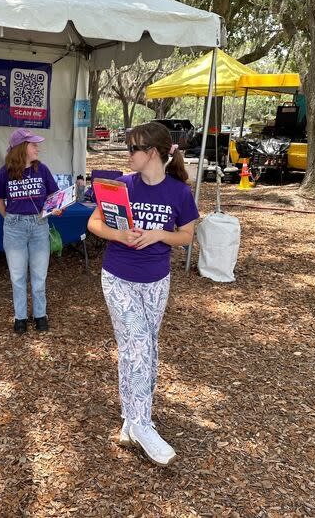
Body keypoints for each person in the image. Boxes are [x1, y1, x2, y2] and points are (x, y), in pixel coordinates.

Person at [88, 121, 199, 467]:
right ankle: (142, 425)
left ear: (151, 153)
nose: (127, 155)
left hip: (156, 281)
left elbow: (186, 236)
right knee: (136, 344)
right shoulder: (121, 185)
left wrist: (158, 235)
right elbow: (94, 223)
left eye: (132, 148)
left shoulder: (179, 192)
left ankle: (131, 418)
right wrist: (120, 236)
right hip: (119, 277)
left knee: (144, 348)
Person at [0, 128, 60, 334]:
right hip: (14, 227)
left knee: (39, 276)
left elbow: (54, 195)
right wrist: (11, 219)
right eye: (33, 144)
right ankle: (20, 317)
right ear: (22, 148)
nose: (37, 147)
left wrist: (55, 208)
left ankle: (40, 315)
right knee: (17, 276)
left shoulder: (42, 170)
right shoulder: (4, 172)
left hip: (39, 226)